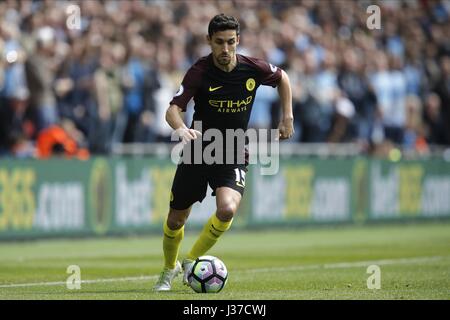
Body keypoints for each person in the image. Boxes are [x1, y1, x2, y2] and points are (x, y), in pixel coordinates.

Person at [153, 14, 294, 291]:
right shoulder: (199, 71)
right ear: (209, 42)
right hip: (199, 151)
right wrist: (181, 129)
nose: (225, 49)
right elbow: (173, 109)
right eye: (219, 42)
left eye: (231, 42)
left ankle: (191, 261)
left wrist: (287, 116)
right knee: (175, 219)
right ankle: (168, 269)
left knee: (227, 209)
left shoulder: (252, 67)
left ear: (238, 41)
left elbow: (283, 78)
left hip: (232, 151)